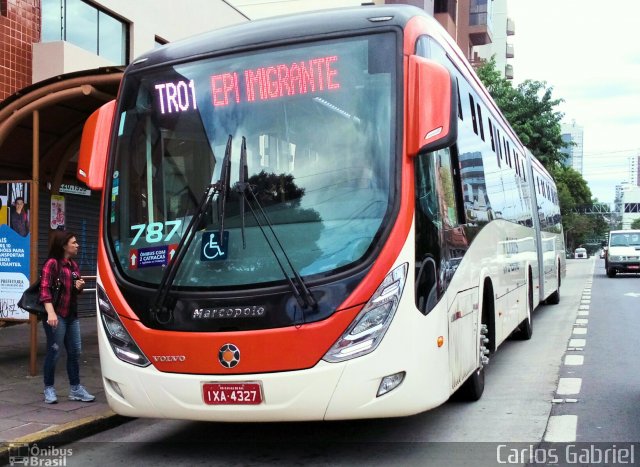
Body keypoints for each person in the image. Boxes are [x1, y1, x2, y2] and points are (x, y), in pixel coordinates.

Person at [40, 230, 94, 404]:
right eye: (74, 243)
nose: (77, 245)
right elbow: (45, 290)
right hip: (56, 315)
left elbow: (76, 291)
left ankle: (75, 389)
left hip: (71, 315)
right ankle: (48, 388)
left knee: (75, 351)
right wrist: (50, 313)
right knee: (54, 351)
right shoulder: (52, 264)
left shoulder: (73, 266)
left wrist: (80, 286)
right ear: (64, 246)